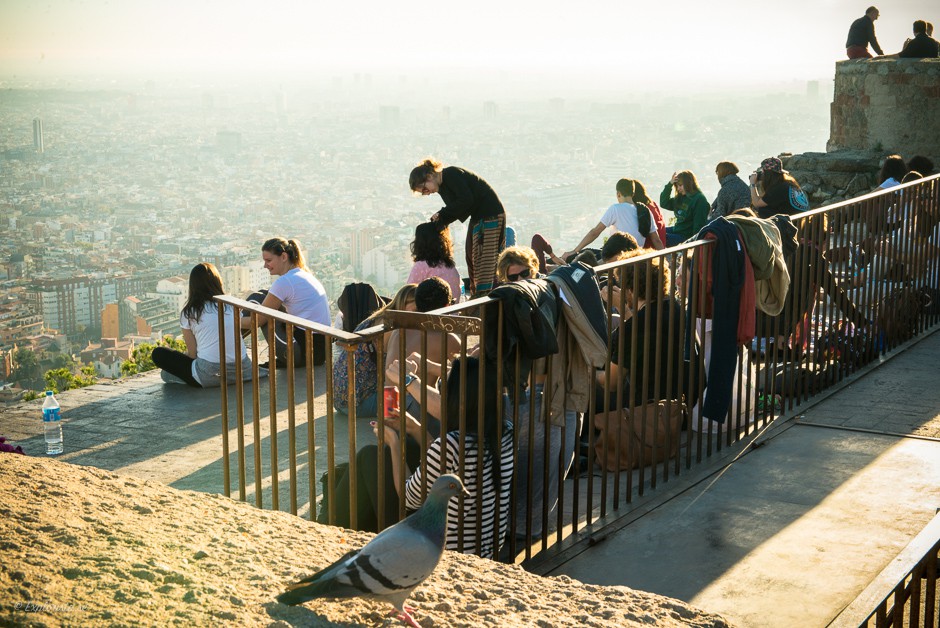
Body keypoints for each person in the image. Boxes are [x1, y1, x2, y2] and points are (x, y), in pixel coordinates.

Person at [331, 356, 514, 559]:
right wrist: (414, 428)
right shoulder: (505, 432)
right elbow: (441, 461)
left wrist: (394, 443)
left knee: (369, 457)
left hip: (440, 550)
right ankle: (344, 529)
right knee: (395, 452)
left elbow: (408, 498)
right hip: (485, 548)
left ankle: (327, 528)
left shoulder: (451, 444)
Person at [153, 263, 264, 387]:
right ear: (217, 282)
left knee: (160, 358)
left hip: (210, 375)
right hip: (244, 371)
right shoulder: (230, 305)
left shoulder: (189, 312)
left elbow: (192, 354)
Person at [410, 158, 507, 296]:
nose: (427, 193)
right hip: (478, 217)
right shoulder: (443, 188)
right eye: (423, 192)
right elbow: (457, 209)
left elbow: (466, 200)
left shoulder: (451, 174)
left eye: (424, 188)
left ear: (430, 176)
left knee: (484, 259)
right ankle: (477, 294)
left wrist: (442, 214)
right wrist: (440, 221)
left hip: (489, 214)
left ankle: (485, 295)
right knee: (472, 256)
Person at [240, 237, 330, 368]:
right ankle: (225, 346)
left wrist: (230, 320)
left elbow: (258, 321)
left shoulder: (284, 282)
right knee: (261, 296)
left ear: (283, 257)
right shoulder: (302, 274)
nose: (265, 265)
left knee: (259, 304)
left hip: (304, 353)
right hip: (319, 351)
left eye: (269, 260)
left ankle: (223, 349)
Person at [332, 284, 417, 416]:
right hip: (357, 402)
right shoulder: (393, 327)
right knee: (416, 400)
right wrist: (389, 417)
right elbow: (391, 375)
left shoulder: (380, 316)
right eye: (416, 306)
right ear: (404, 302)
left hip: (342, 397)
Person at [561, 178, 663, 260]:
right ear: (632, 194)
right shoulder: (645, 211)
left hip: (616, 257)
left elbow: (595, 232)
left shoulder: (615, 209)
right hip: (635, 257)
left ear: (618, 193)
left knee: (584, 255)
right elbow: (656, 240)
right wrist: (665, 262)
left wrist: (574, 251)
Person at [406, 222, 462, 302]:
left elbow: (407, 293)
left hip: (432, 313)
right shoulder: (449, 265)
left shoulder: (421, 266)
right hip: (452, 312)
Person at [660, 170, 710, 246]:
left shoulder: (699, 199)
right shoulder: (681, 197)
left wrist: (693, 246)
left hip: (686, 236)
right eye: (677, 186)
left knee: (659, 238)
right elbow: (664, 203)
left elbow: (698, 226)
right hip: (677, 230)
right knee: (656, 232)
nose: (678, 189)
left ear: (688, 184)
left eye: (680, 185)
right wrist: (670, 184)